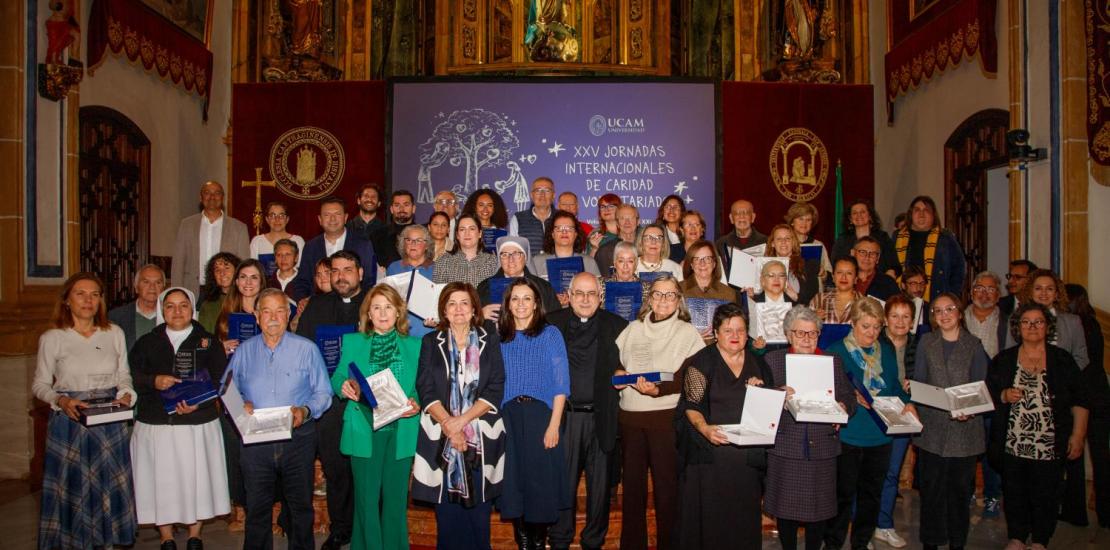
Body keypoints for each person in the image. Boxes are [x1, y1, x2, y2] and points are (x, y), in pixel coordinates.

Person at [33, 273, 138, 549]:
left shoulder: (113, 332)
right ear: (67, 299)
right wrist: (60, 400)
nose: (88, 300)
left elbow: (123, 376)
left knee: (107, 483)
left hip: (109, 419)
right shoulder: (53, 337)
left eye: (94, 294)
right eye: (81, 293)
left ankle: (107, 539)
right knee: (73, 487)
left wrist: (127, 394)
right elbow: (40, 385)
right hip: (71, 420)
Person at [226, 288, 333, 550]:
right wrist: (242, 403)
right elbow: (226, 389)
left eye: (279, 310)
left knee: (300, 509)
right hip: (256, 442)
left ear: (288, 314)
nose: (273, 317)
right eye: (267, 311)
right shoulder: (243, 352)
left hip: (298, 440)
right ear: (256, 315)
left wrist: (305, 411)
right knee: (257, 509)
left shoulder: (307, 349)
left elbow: (324, 393)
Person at [129, 286, 230, 549]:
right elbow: (131, 378)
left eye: (183, 305)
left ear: (192, 309)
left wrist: (198, 404)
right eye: (170, 306)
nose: (177, 311)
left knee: (195, 479)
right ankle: (166, 537)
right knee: (162, 481)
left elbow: (222, 382)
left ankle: (195, 534)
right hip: (157, 424)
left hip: (196, 425)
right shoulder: (146, 342)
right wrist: (154, 380)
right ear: (162, 310)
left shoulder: (207, 341)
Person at [986, 302, 1089, 550]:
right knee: (1014, 490)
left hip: (1049, 442)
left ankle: (1041, 540)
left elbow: (1080, 400)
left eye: (1038, 322)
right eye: (1026, 322)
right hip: (1013, 441)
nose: (1032, 327)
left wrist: (1077, 434)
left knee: (1047, 492)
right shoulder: (1005, 359)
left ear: (1047, 326)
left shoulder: (1062, 360)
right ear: (1017, 327)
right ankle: (1017, 536)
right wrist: (1003, 395)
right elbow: (989, 393)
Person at [411, 283, 506, 550]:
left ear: (475, 308)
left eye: (464, 302)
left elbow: (496, 385)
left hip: (480, 441)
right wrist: (450, 427)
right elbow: (425, 387)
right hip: (441, 439)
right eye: (452, 303)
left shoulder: (489, 338)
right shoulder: (431, 342)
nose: (459, 309)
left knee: (479, 518)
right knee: (448, 518)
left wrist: (462, 422)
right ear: (443, 310)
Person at [614, 275, 705, 550]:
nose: (663, 300)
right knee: (632, 491)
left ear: (679, 300)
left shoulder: (687, 332)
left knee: (667, 491)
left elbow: (691, 377)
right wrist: (618, 373)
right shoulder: (632, 328)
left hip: (665, 419)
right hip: (630, 417)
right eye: (658, 294)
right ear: (649, 297)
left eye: (670, 294)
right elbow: (617, 363)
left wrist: (658, 391)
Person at [674, 303, 773, 547]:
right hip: (710, 459)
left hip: (747, 462)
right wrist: (705, 429)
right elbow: (691, 406)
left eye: (740, 330)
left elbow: (769, 408)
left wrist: (764, 392)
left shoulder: (759, 364)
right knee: (712, 522)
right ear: (716, 333)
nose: (735, 336)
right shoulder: (701, 363)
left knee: (743, 520)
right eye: (728, 330)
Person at [332, 284, 422, 550]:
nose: (383, 313)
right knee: (366, 501)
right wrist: (343, 386)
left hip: (401, 430)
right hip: (364, 429)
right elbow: (338, 376)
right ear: (368, 314)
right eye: (376, 308)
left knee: (395, 502)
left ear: (398, 312)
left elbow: (419, 386)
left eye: (388, 307)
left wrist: (416, 402)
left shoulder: (415, 346)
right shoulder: (353, 341)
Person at [824, 298, 917, 550]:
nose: (871, 333)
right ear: (852, 324)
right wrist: (846, 393)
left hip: (881, 434)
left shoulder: (885, 350)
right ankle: (832, 543)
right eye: (865, 326)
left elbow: (894, 385)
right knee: (842, 496)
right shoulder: (836, 352)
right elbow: (827, 392)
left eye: (877, 327)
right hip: (849, 434)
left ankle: (861, 542)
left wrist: (908, 402)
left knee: (871, 495)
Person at [546, 273, 629, 550]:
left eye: (591, 293)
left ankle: (593, 542)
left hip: (602, 418)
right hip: (565, 419)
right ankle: (559, 540)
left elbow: (630, 362)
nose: (584, 299)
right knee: (562, 486)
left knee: (600, 491)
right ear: (568, 295)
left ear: (601, 297)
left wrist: (624, 372)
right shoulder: (551, 324)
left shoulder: (618, 325)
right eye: (579, 293)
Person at [763, 305, 855, 550]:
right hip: (786, 445)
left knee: (820, 510)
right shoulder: (773, 361)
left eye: (812, 333)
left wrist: (844, 405)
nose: (806, 338)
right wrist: (776, 395)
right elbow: (760, 400)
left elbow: (849, 394)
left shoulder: (832, 361)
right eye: (800, 333)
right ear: (788, 334)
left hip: (822, 445)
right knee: (786, 510)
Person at [293, 250, 366, 549]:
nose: (341, 276)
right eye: (335, 270)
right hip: (330, 402)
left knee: (364, 468)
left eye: (348, 269)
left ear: (360, 273)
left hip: (367, 401)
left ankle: (366, 526)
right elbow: (304, 352)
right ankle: (341, 528)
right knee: (336, 469)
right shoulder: (317, 306)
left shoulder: (375, 302)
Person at [1012, 269, 1091, 526]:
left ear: (1057, 293)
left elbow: (1081, 356)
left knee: (1066, 453)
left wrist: (1061, 378)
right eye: (1038, 288)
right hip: (1026, 399)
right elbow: (1008, 354)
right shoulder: (1018, 318)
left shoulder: (1071, 321)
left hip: (1063, 397)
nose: (1043, 293)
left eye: (1049, 288)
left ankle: (1070, 511)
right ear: (1029, 292)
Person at [911, 292, 990, 550]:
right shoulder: (926, 342)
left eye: (949, 309)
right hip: (932, 428)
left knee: (958, 494)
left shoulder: (974, 345)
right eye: (938, 311)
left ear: (959, 312)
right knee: (931, 491)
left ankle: (958, 543)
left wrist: (971, 410)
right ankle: (931, 543)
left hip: (965, 431)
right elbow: (920, 380)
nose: (944, 315)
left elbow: (981, 387)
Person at [497, 278, 571, 549]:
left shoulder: (550, 334)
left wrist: (554, 425)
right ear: (507, 303)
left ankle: (538, 543)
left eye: (527, 298)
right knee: (514, 480)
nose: (520, 304)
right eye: (515, 298)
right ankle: (524, 542)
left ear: (537, 302)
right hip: (509, 416)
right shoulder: (499, 336)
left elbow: (561, 384)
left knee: (540, 483)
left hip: (541, 416)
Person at [874, 295, 920, 548]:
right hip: (876, 414)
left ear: (912, 321)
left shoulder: (920, 345)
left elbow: (929, 378)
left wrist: (917, 385)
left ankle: (884, 524)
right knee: (869, 473)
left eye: (906, 316)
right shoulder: (874, 343)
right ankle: (865, 525)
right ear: (885, 320)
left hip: (904, 414)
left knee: (892, 473)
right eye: (894, 316)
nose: (900, 321)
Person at [1064, 283, 1110, 530]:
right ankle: (1105, 512)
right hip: (1100, 395)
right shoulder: (1091, 323)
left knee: (1074, 453)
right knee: (1101, 457)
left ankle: (1076, 510)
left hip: (1082, 397)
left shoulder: (1076, 326)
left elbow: (1078, 365)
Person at [965, 271, 1007, 517]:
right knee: (968, 448)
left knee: (993, 448)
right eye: (979, 288)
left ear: (998, 295)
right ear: (971, 293)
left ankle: (992, 495)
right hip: (965, 394)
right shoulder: (958, 318)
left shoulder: (1008, 322)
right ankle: (968, 491)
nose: (984, 293)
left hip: (995, 395)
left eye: (990, 289)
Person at [290, 196, 376, 301]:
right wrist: (303, 300)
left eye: (337, 214)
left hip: (353, 307)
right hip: (319, 306)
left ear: (345, 218)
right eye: (327, 215)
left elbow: (369, 281)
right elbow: (302, 281)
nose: (332, 219)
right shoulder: (311, 246)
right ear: (320, 219)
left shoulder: (363, 244)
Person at [172, 181, 250, 296]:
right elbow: (178, 262)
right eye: (207, 193)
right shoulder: (187, 224)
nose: (212, 197)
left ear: (222, 197)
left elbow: (244, 265)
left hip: (226, 292)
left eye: (217, 193)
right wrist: (176, 291)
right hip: (193, 290)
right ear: (201, 197)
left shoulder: (239, 228)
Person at [893, 196, 966, 301]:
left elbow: (959, 269)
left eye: (926, 210)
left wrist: (951, 295)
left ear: (933, 215)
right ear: (911, 214)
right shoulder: (897, 237)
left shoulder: (945, 238)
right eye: (917, 210)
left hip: (937, 297)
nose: (921, 214)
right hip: (903, 297)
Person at [476, 235, 559, 321]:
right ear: (500, 260)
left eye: (516, 254)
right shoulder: (484, 287)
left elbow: (555, 320)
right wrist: (480, 315)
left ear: (525, 258)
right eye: (504, 254)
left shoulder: (543, 287)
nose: (510, 259)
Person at [529, 210, 602, 292]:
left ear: (575, 234)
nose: (564, 232)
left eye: (569, 228)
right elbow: (531, 292)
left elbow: (599, 293)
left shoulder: (589, 262)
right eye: (559, 228)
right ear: (552, 234)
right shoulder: (537, 262)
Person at [387, 224, 437, 339]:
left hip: (428, 333)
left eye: (418, 240)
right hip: (398, 334)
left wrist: (438, 320)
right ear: (403, 244)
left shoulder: (438, 269)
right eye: (409, 240)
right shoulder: (393, 268)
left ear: (426, 245)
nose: (413, 244)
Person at [831, 199, 899, 277]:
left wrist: (890, 273)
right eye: (855, 213)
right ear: (850, 219)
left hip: (879, 281)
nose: (859, 215)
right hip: (850, 281)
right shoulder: (842, 240)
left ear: (870, 216)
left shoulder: (883, 237)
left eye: (862, 212)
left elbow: (894, 264)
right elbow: (835, 264)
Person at [215, 259, 269, 355]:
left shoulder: (271, 313)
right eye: (243, 277)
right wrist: (221, 350)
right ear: (237, 282)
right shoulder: (226, 313)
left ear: (261, 283)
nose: (248, 282)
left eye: (254, 277)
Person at [109, 263, 166, 351]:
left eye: (158, 282)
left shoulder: (172, 316)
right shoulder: (116, 317)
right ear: (136, 287)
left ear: (164, 288)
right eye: (146, 282)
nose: (152, 287)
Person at [433, 213, 500, 287]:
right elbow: (438, 295)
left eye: (472, 229)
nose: (467, 233)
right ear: (457, 235)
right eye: (462, 229)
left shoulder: (492, 261)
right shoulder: (443, 262)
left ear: (480, 233)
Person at [765, 223, 822, 306]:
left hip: (799, 315)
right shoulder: (764, 267)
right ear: (772, 243)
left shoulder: (808, 266)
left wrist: (795, 296)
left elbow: (813, 298)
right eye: (779, 239)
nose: (783, 242)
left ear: (793, 242)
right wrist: (752, 295)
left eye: (787, 238)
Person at [748, 260, 795, 355]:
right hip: (762, 359)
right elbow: (747, 341)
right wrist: (755, 345)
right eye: (771, 275)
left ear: (786, 280)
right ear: (762, 280)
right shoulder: (752, 306)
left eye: (781, 276)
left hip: (789, 357)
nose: (776, 279)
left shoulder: (795, 307)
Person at [715, 199, 767, 275]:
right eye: (737, 213)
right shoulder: (721, 244)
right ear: (731, 218)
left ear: (753, 217)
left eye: (746, 213)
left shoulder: (766, 242)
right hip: (728, 287)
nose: (742, 217)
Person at [509, 177, 556, 256]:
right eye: (538, 191)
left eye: (547, 191)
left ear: (553, 195)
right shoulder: (518, 218)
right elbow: (514, 249)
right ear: (531, 195)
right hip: (528, 267)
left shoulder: (562, 218)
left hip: (556, 267)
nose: (542, 195)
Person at [249, 201, 305, 267]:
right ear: (267, 219)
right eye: (272, 215)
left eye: (281, 215)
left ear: (287, 219)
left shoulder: (298, 241)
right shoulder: (257, 241)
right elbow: (253, 268)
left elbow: (302, 269)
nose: (277, 219)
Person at [810, 256, 863, 324]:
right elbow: (805, 328)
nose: (844, 277)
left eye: (849, 273)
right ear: (833, 277)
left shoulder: (865, 304)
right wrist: (812, 320)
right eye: (839, 272)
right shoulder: (819, 300)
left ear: (856, 279)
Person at [372, 190, 417, 268]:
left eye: (406, 205)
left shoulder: (424, 234)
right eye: (397, 205)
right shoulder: (377, 235)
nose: (401, 209)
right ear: (391, 209)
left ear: (413, 208)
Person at [784, 201, 832, 274]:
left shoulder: (818, 244)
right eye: (801, 219)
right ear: (792, 222)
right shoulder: (784, 243)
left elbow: (829, 273)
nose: (804, 223)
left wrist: (823, 274)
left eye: (808, 220)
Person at [196, 253, 239, 333]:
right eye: (217, 270)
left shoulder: (247, 300)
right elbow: (204, 337)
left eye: (226, 268)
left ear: (237, 271)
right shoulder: (208, 306)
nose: (222, 273)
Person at [594, 204, 641, 275]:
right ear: (617, 223)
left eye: (631, 218)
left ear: (638, 222)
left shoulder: (646, 248)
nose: (627, 222)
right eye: (622, 218)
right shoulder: (605, 251)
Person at [851, 236, 900, 300]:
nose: (867, 257)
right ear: (853, 254)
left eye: (872, 254)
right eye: (862, 252)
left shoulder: (888, 284)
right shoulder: (844, 279)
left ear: (878, 258)